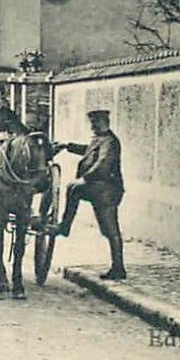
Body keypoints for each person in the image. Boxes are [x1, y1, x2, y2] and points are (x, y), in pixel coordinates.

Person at [53, 109, 126, 280]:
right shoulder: (100, 139)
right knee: (74, 190)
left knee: (110, 229)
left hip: (107, 191)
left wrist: (85, 178)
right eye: (92, 123)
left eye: (96, 122)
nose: (93, 126)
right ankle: (64, 226)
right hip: (99, 189)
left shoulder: (110, 141)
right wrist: (67, 146)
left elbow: (103, 164)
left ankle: (118, 268)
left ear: (105, 122)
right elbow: (88, 150)